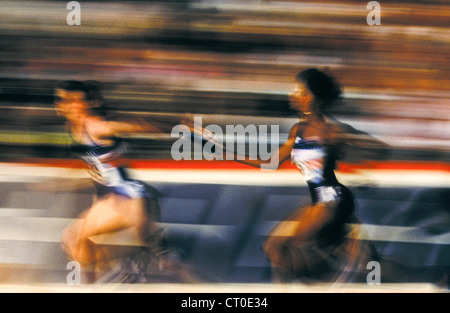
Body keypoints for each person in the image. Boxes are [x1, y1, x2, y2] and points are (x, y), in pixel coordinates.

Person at [185, 68, 389, 283]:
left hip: (332, 201)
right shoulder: (299, 130)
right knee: (363, 262)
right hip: (322, 201)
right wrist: (218, 149)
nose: (292, 94)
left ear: (310, 97)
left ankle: (321, 283)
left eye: (297, 90)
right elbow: (270, 163)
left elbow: (380, 148)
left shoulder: (332, 130)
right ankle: (401, 283)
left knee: (282, 247)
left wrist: (361, 169)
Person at [54, 80, 171, 283]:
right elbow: (102, 169)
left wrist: (178, 128)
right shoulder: (74, 127)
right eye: (61, 100)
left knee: (78, 241)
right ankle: (129, 264)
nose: (65, 104)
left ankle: (129, 263)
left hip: (128, 200)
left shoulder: (95, 126)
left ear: (90, 103)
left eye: (73, 100)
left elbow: (136, 125)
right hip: (114, 198)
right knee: (74, 242)